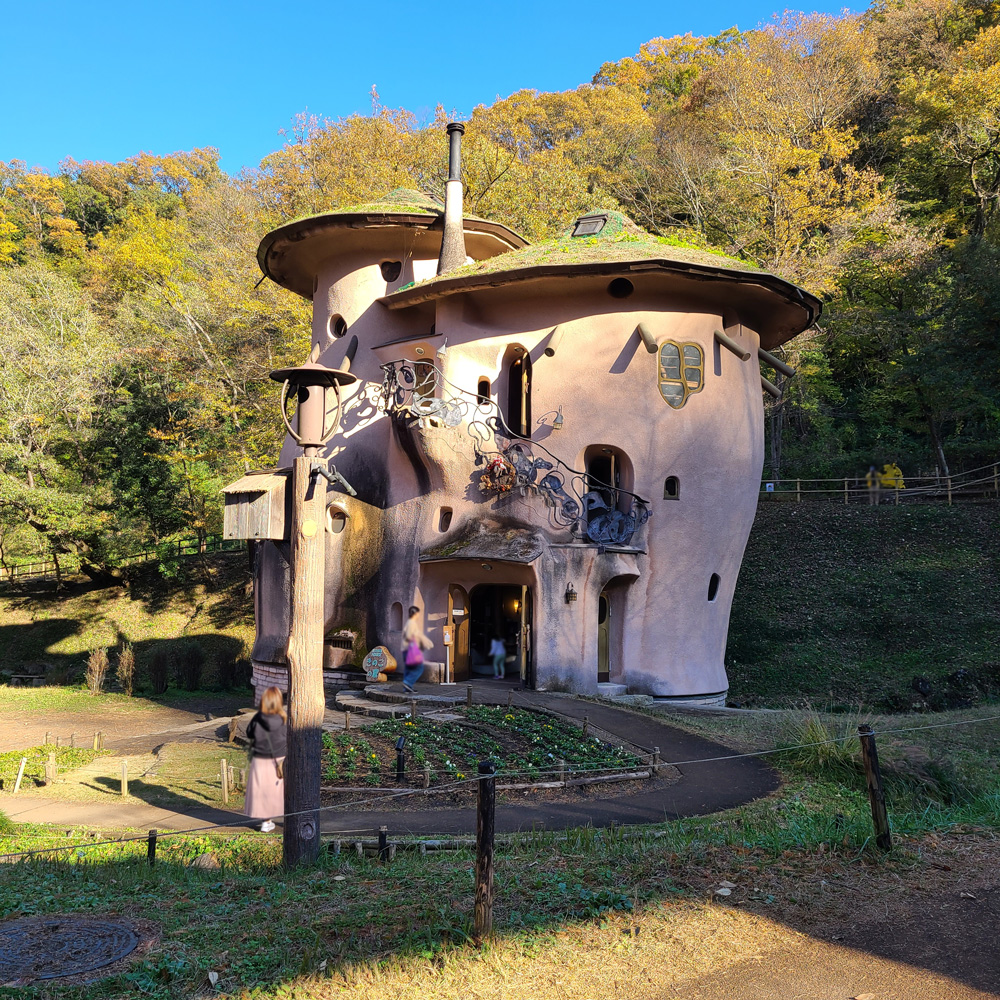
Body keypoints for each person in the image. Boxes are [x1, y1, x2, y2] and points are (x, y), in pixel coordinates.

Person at [244, 686, 286, 833]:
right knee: (279, 792)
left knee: (261, 791)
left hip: (259, 760)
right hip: (279, 761)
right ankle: (289, 818)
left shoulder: (258, 718)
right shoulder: (283, 719)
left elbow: (249, 733)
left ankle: (266, 822)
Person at [401, 605, 434, 693]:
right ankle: (408, 682)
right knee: (419, 668)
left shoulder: (409, 622)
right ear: (415, 613)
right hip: (410, 650)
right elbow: (409, 636)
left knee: (408, 669)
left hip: (406, 649)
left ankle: (407, 688)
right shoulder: (412, 623)